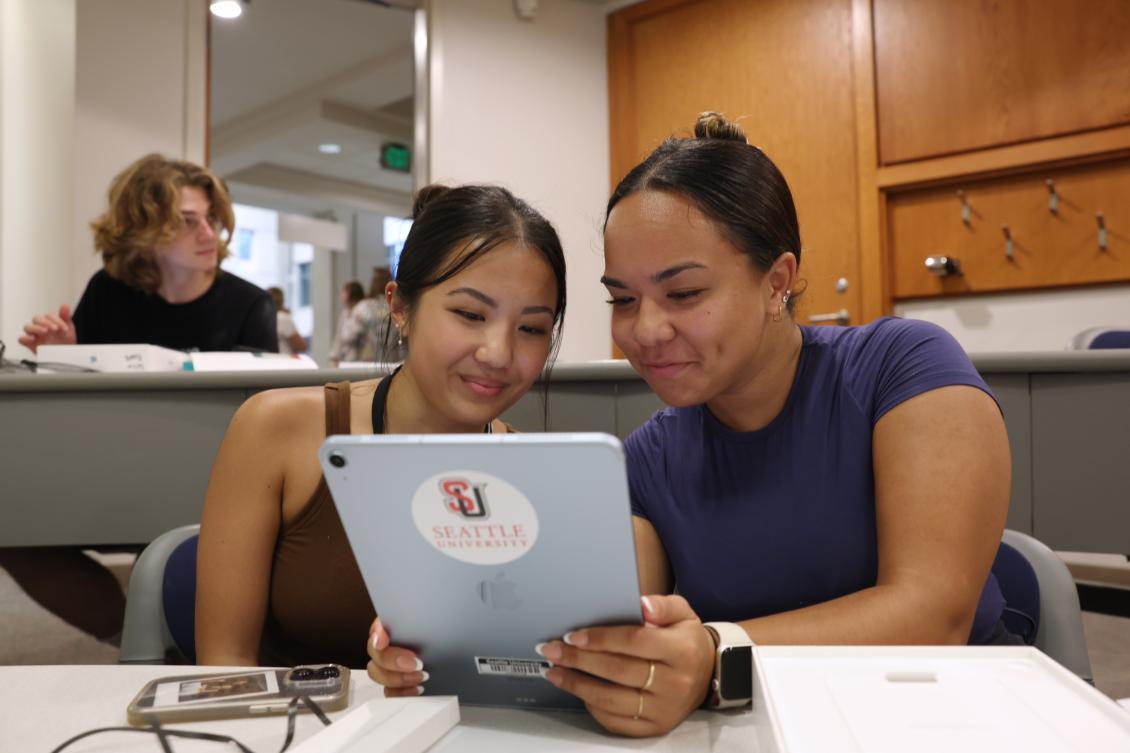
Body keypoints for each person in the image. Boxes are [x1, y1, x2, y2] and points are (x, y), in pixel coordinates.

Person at [365, 113, 1011, 737]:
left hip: (955, 720)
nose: (644, 330)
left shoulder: (903, 370)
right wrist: (438, 646)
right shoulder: (647, 461)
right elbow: (609, 635)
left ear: (776, 282)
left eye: (684, 293)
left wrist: (715, 650)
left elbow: (936, 610)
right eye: (622, 299)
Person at [195, 184, 567, 668]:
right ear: (399, 307)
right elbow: (225, 663)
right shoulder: (277, 430)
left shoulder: (534, 475)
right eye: (470, 314)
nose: (498, 353)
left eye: (532, 328)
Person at [18, 153, 277, 354]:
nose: (209, 234)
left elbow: (266, 414)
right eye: (187, 221)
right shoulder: (107, 291)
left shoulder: (250, 306)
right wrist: (65, 356)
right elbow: (83, 401)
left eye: (210, 218)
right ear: (143, 230)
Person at [327, 280, 365, 366]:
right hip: (346, 359)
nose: (341, 294)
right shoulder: (345, 313)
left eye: (344, 291)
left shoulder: (362, 310)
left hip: (361, 359)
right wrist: (334, 357)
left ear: (352, 293)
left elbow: (351, 335)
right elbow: (339, 337)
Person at [266, 286, 307, 355]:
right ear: (282, 300)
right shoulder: (283, 318)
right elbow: (301, 346)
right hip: (284, 361)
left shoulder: (264, 318)